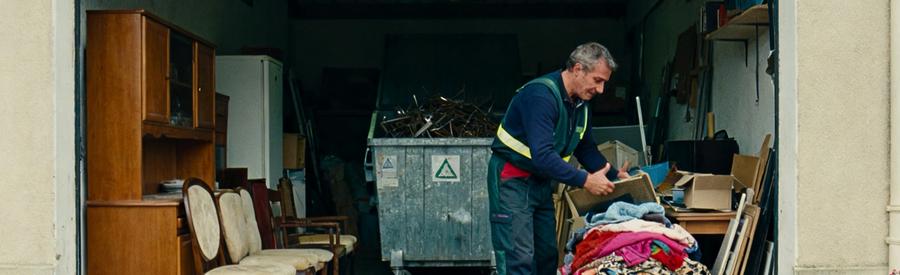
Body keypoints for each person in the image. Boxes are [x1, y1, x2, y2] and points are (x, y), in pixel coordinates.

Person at [487, 42, 630, 275]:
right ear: (577, 69)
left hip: (540, 183)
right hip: (512, 181)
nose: (602, 90)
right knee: (518, 259)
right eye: (597, 80)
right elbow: (543, 156)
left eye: (604, 82)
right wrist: (585, 180)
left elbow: (586, 150)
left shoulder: (581, 104)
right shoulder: (540, 96)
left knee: (546, 256)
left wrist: (616, 176)